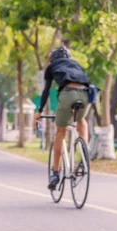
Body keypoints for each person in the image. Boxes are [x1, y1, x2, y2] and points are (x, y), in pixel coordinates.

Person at [34, 46, 90, 190]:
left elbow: (46, 91)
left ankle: (56, 173)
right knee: (82, 121)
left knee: (60, 132)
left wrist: (40, 111)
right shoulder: (77, 64)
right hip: (86, 94)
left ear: (54, 58)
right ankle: (84, 153)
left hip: (68, 94)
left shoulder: (52, 66)